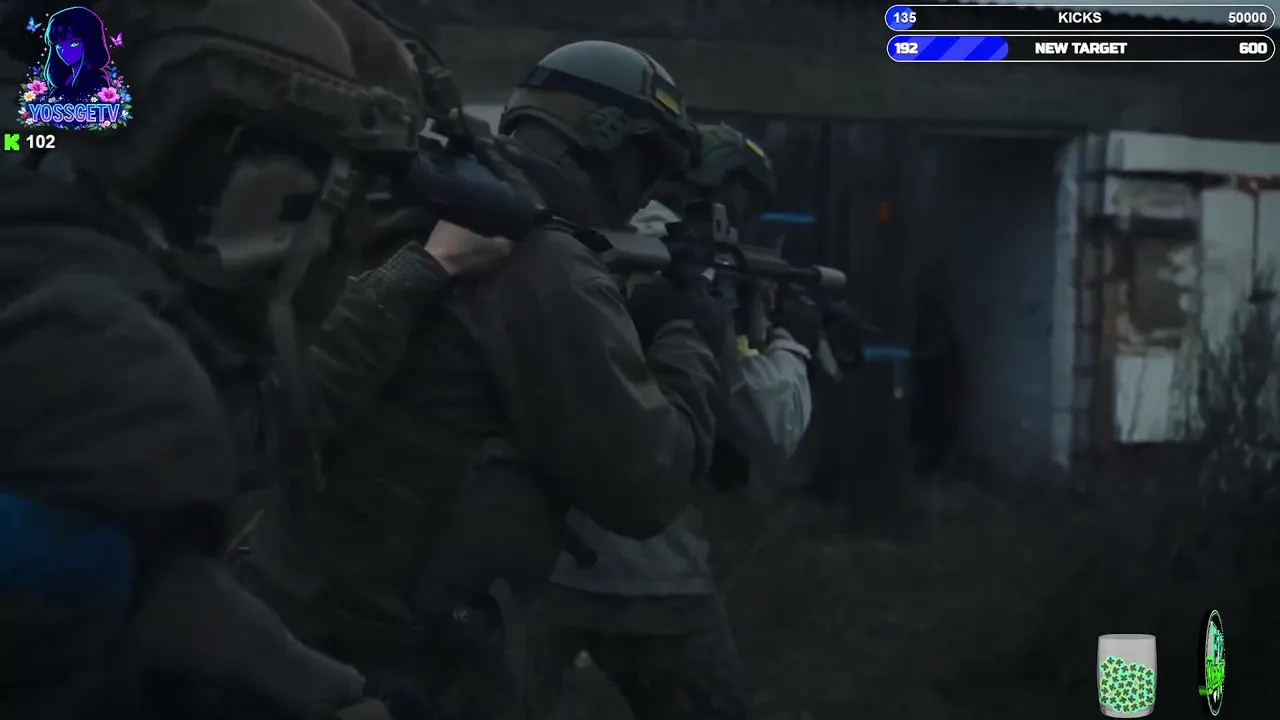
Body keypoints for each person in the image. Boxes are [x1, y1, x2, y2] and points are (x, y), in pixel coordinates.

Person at [0, 0, 506, 717]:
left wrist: (306, 688)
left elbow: (114, 575)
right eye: (338, 194)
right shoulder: (115, 369)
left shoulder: (44, 257)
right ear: (259, 188)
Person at [238, 39, 730, 720]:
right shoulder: (545, 262)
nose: (646, 196)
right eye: (650, 171)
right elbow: (646, 482)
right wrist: (688, 334)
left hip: (276, 609)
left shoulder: (407, 200)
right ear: (612, 142)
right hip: (396, 659)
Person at [524, 123, 820, 720]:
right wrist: (783, 340)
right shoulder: (678, 269)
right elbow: (770, 428)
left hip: (534, 563)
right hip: (652, 576)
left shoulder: (564, 244)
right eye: (734, 206)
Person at [41, 5, 112, 103]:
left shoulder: (96, 82)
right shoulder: (62, 81)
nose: (64, 51)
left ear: (91, 42)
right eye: (58, 45)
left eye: (74, 43)